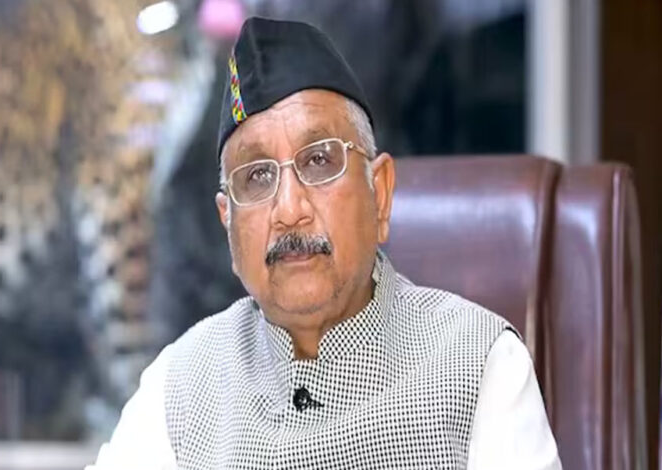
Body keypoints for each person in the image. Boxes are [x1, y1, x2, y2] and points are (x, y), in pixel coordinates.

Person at [88, 17, 561, 469]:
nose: (289, 208)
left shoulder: (478, 364)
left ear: (379, 194)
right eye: (256, 177)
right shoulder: (181, 386)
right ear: (228, 222)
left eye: (318, 161)